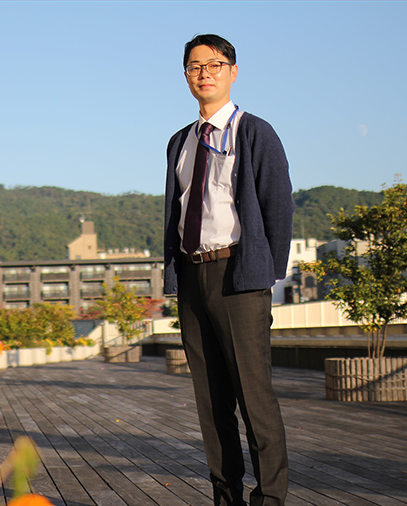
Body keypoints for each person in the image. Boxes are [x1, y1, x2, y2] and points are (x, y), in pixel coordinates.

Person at [163, 34, 294, 506]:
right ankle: (226, 498)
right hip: (192, 276)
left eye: (214, 64)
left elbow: (278, 206)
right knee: (211, 402)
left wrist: (263, 273)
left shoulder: (254, 132)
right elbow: (177, 212)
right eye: (195, 66)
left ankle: (270, 499)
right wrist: (175, 274)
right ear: (186, 75)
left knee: (254, 398)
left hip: (239, 277)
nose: (205, 73)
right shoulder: (180, 142)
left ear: (233, 72)